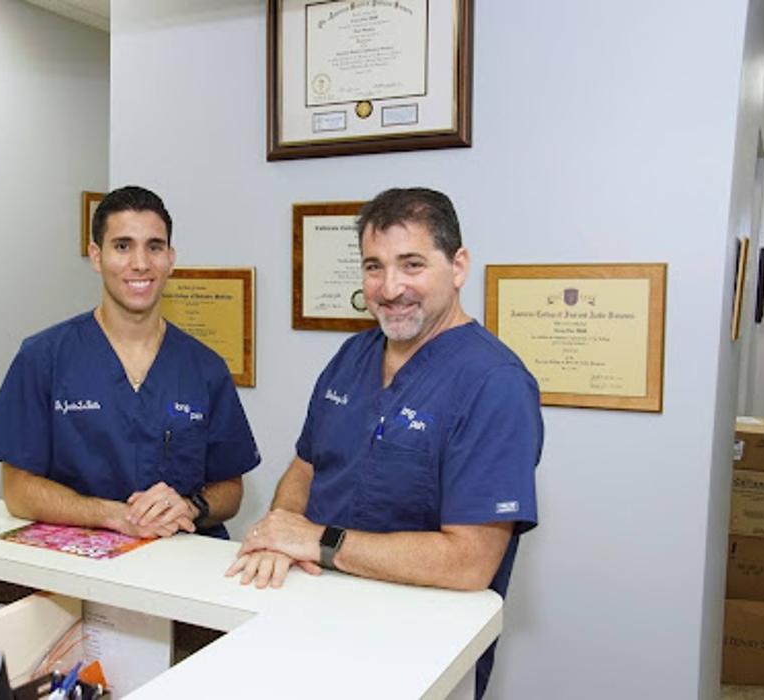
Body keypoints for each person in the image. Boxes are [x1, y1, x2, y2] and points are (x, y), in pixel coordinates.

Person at [226, 187, 542, 698]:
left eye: (412, 264)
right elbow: (307, 467)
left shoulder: (495, 384)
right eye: (374, 267)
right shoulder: (352, 357)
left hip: (417, 644)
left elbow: (470, 560)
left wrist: (318, 541)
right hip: (312, 615)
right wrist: (279, 532)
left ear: (458, 266)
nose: (390, 288)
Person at [0, 185, 260, 540]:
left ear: (170, 258)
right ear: (96, 257)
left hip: (181, 560)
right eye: (123, 246)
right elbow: (18, 490)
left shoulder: (205, 368)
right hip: (80, 561)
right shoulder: (43, 357)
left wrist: (190, 507)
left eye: (154, 247)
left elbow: (231, 489)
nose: (140, 263)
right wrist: (113, 515)